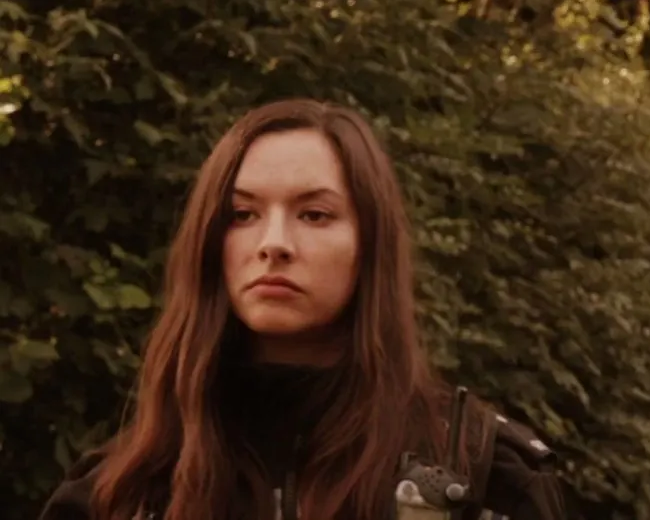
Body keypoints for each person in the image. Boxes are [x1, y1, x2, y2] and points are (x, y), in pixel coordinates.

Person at [36, 99, 573, 520]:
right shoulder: (120, 492)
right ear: (209, 241)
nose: (273, 243)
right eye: (242, 214)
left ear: (370, 245)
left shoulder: (483, 478)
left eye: (314, 215)